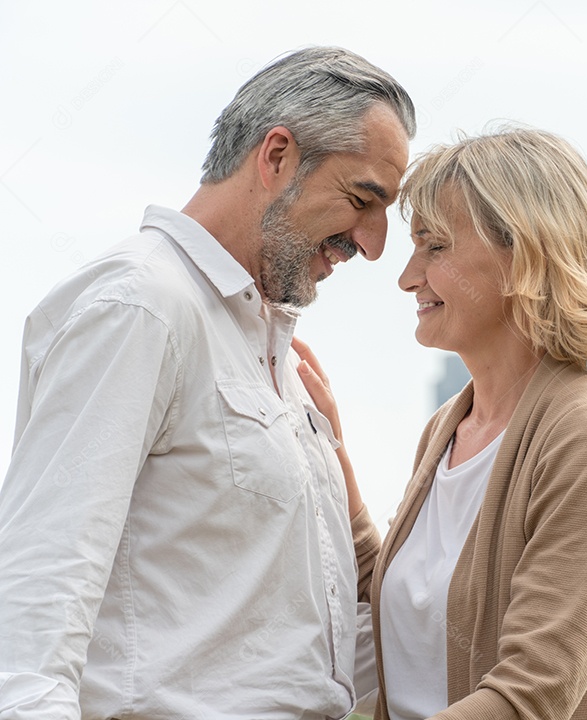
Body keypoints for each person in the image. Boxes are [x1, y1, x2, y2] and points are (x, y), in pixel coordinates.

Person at [0, 47, 414, 719]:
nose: (372, 244)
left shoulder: (280, 358)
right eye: (363, 201)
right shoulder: (140, 306)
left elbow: (299, 648)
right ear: (276, 156)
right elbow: (34, 607)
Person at [304, 128, 587, 720]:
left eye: (434, 246)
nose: (407, 276)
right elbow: (401, 599)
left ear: (524, 253)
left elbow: (530, 696)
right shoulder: (448, 426)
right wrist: (328, 450)